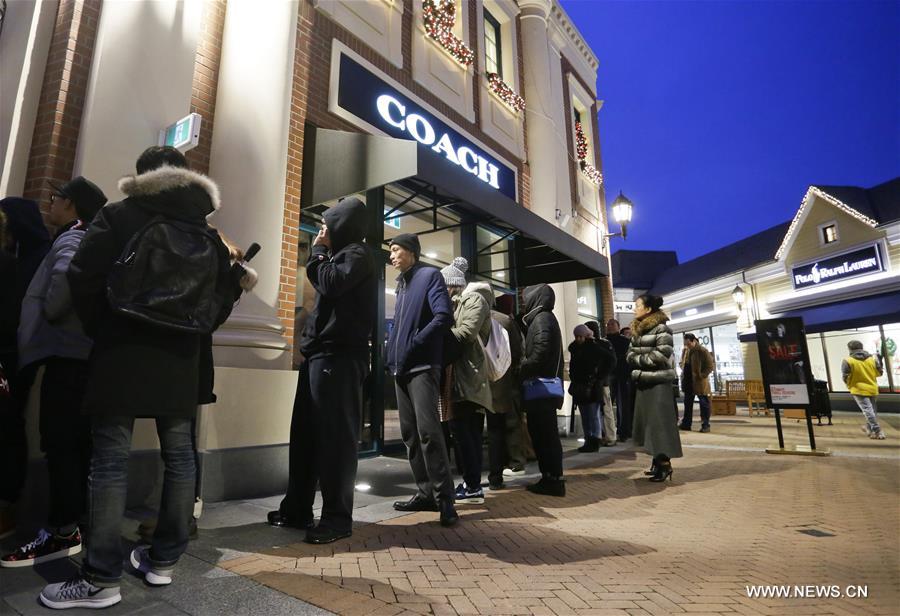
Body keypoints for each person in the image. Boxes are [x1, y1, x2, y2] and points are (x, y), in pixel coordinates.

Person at [39, 146, 239, 609]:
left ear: (143, 175)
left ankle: (100, 579)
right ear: (186, 177)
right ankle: (163, 560)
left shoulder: (121, 214)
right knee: (180, 456)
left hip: (121, 351)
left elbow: (82, 277)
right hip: (181, 359)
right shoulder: (205, 231)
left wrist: (104, 325)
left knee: (109, 460)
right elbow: (219, 302)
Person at [1, 177, 107, 568]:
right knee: (78, 444)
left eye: (57, 198)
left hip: (67, 354)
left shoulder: (71, 238)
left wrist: (49, 312)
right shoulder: (97, 239)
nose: (51, 203)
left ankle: (61, 532)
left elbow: (63, 281)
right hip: (88, 357)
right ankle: (73, 522)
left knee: (59, 441)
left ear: (73, 205)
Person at [267, 197, 375, 544]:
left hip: (340, 358)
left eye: (328, 223)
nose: (321, 229)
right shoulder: (340, 255)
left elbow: (330, 283)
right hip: (319, 356)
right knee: (306, 435)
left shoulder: (357, 254)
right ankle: (296, 508)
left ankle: (337, 519)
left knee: (335, 440)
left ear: (344, 225)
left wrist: (317, 253)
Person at [385, 233, 459, 527]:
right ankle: (425, 492)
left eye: (395, 250)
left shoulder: (430, 276)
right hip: (400, 368)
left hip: (423, 366)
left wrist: (416, 343)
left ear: (411, 251)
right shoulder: (401, 283)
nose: (391, 255)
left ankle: (446, 501)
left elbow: (443, 317)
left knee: (429, 432)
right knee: (410, 435)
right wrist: (392, 353)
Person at [0, 197, 52, 539]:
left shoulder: (37, 256)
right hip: (12, 351)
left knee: (7, 426)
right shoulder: (15, 257)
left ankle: (7, 504)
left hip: (15, 355)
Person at [442, 258, 493, 503]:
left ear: (453, 284)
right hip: (461, 377)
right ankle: (470, 484)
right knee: (463, 433)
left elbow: (465, 333)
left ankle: (473, 486)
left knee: (467, 434)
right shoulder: (457, 303)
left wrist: (437, 330)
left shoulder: (473, 300)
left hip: (469, 378)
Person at [628, 294, 682, 482]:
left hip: (658, 383)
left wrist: (639, 361)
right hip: (643, 383)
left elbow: (660, 355)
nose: (635, 309)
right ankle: (656, 462)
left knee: (660, 425)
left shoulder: (662, 329)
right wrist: (639, 361)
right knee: (649, 425)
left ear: (648, 309)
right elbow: (629, 354)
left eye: (637, 305)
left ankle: (665, 465)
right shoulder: (637, 329)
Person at [519, 284, 565, 497]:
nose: (523, 300)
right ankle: (550, 477)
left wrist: (522, 367)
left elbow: (540, 351)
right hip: (544, 390)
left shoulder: (541, 319)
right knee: (545, 435)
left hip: (541, 390)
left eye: (525, 296)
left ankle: (552, 479)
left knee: (545, 436)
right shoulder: (542, 318)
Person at [491, 295, 524, 486]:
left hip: (481, 382)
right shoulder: (506, 321)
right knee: (506, 425)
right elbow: (518, 351)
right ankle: (510, 465)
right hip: (505, 380)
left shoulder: (468, 316)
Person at [569, 325, 606, 452]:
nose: (578, 339)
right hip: (580, 386)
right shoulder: (574, 348)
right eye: (576, 336)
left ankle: (594, 440)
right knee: (585, 415)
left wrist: (599, 376)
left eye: (581, 336)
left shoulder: (594, 347)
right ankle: (588, 439)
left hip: (592, 386)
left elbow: (610, 360)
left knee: (592, 415)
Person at [842, 340, 886, 440]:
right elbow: (879, 373)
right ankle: (868, 428)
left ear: (850, 349)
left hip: (858, 389)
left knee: (868, 411)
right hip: (872, 387)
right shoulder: (871, 359)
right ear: (862, 347)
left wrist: (850, 385)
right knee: (872, 411)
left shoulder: (848, 360)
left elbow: (845, 377)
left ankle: (878, 431)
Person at [585, 321, 617, 446]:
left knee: (605, 408)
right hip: (599, 381)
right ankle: (605, 435)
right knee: (601, 409)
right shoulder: (603, 343)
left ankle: (609, 436)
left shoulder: (602, 344)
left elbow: (611, 362)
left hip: (602, 382)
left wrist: (601, 376)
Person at [679, 333, 714, 433]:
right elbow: (683, 363)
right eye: (685, 344)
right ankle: (686, 424)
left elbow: (710, 366)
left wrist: (701, 375)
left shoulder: (702, 351)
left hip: (699, 382)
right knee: (687, 403)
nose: (687, 346)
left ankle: (705, 425)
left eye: (688, 343)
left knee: (703, 403)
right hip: (688, 382)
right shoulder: (686, 351)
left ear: (694, 341)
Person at [606, 319, 633, 441]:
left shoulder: (625, 341)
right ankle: (609, 431)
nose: (610, 327)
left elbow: (629, 359)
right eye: (608, 325)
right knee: (607, 405)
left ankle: (624, 431)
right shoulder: (604, 341)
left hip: (622, 375)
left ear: (618, 327)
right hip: (608, 376)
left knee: (623, 405)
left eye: (612, 325)